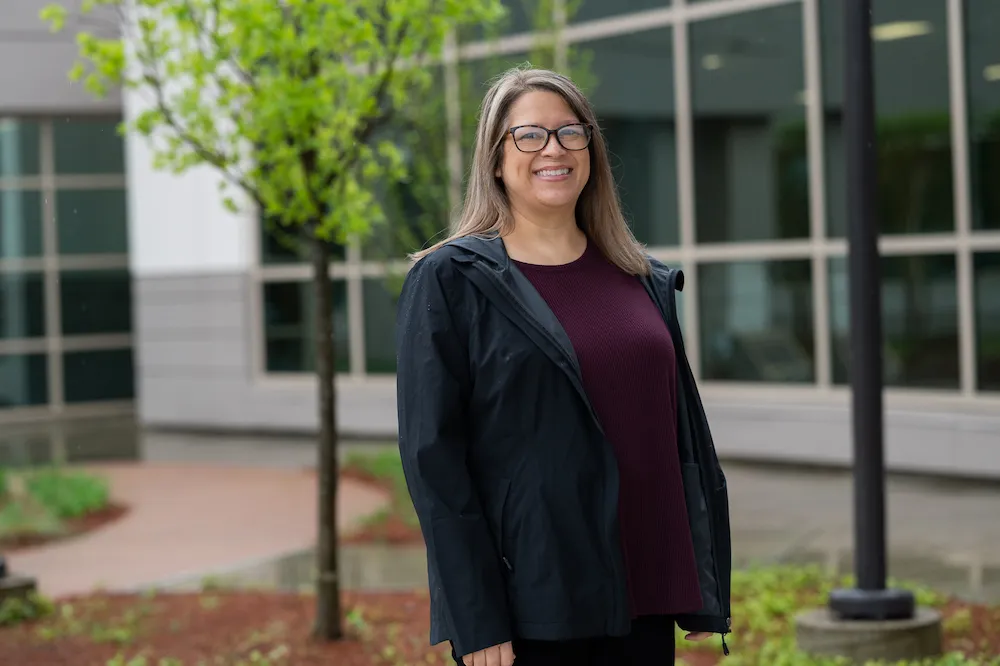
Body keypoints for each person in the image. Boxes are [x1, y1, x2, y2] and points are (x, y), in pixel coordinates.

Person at [395, 66, 732, 666]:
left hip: (643, 596)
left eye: (571, 133)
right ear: (495, 160)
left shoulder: (640, 278)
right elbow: (434, 462)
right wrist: (476, 615)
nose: (553, 148)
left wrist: (700, 584)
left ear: (592, 152)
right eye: (529, 135)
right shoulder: (451, 280)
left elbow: (677, 437)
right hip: (535, 607)